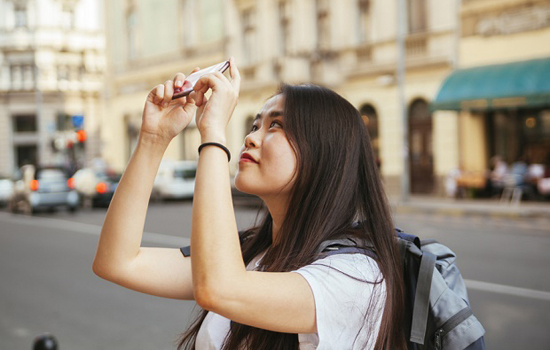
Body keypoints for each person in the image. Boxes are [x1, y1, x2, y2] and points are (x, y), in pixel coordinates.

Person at [93, 58, 405, 350]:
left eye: (276, 126)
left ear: (324, 154)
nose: (251, 138)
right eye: (256, 125)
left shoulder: (357, 276)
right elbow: (117, 262)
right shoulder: (253, 254)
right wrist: (153, 138)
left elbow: (217, 289)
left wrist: (213, 134)